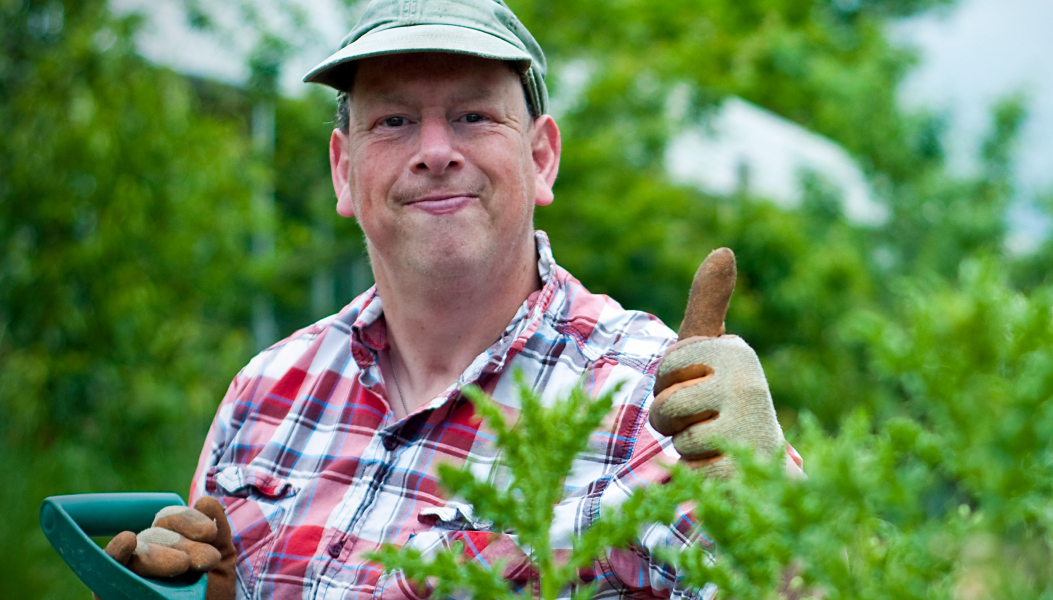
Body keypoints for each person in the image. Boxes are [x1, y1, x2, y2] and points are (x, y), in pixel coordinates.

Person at [103, 0, 798, 598]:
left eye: (471, 116)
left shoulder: (656, 400)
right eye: (395, 122)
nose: (435, 150)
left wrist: (772, 500)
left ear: (542, 158)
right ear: (345, 171)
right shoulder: (265, 395)